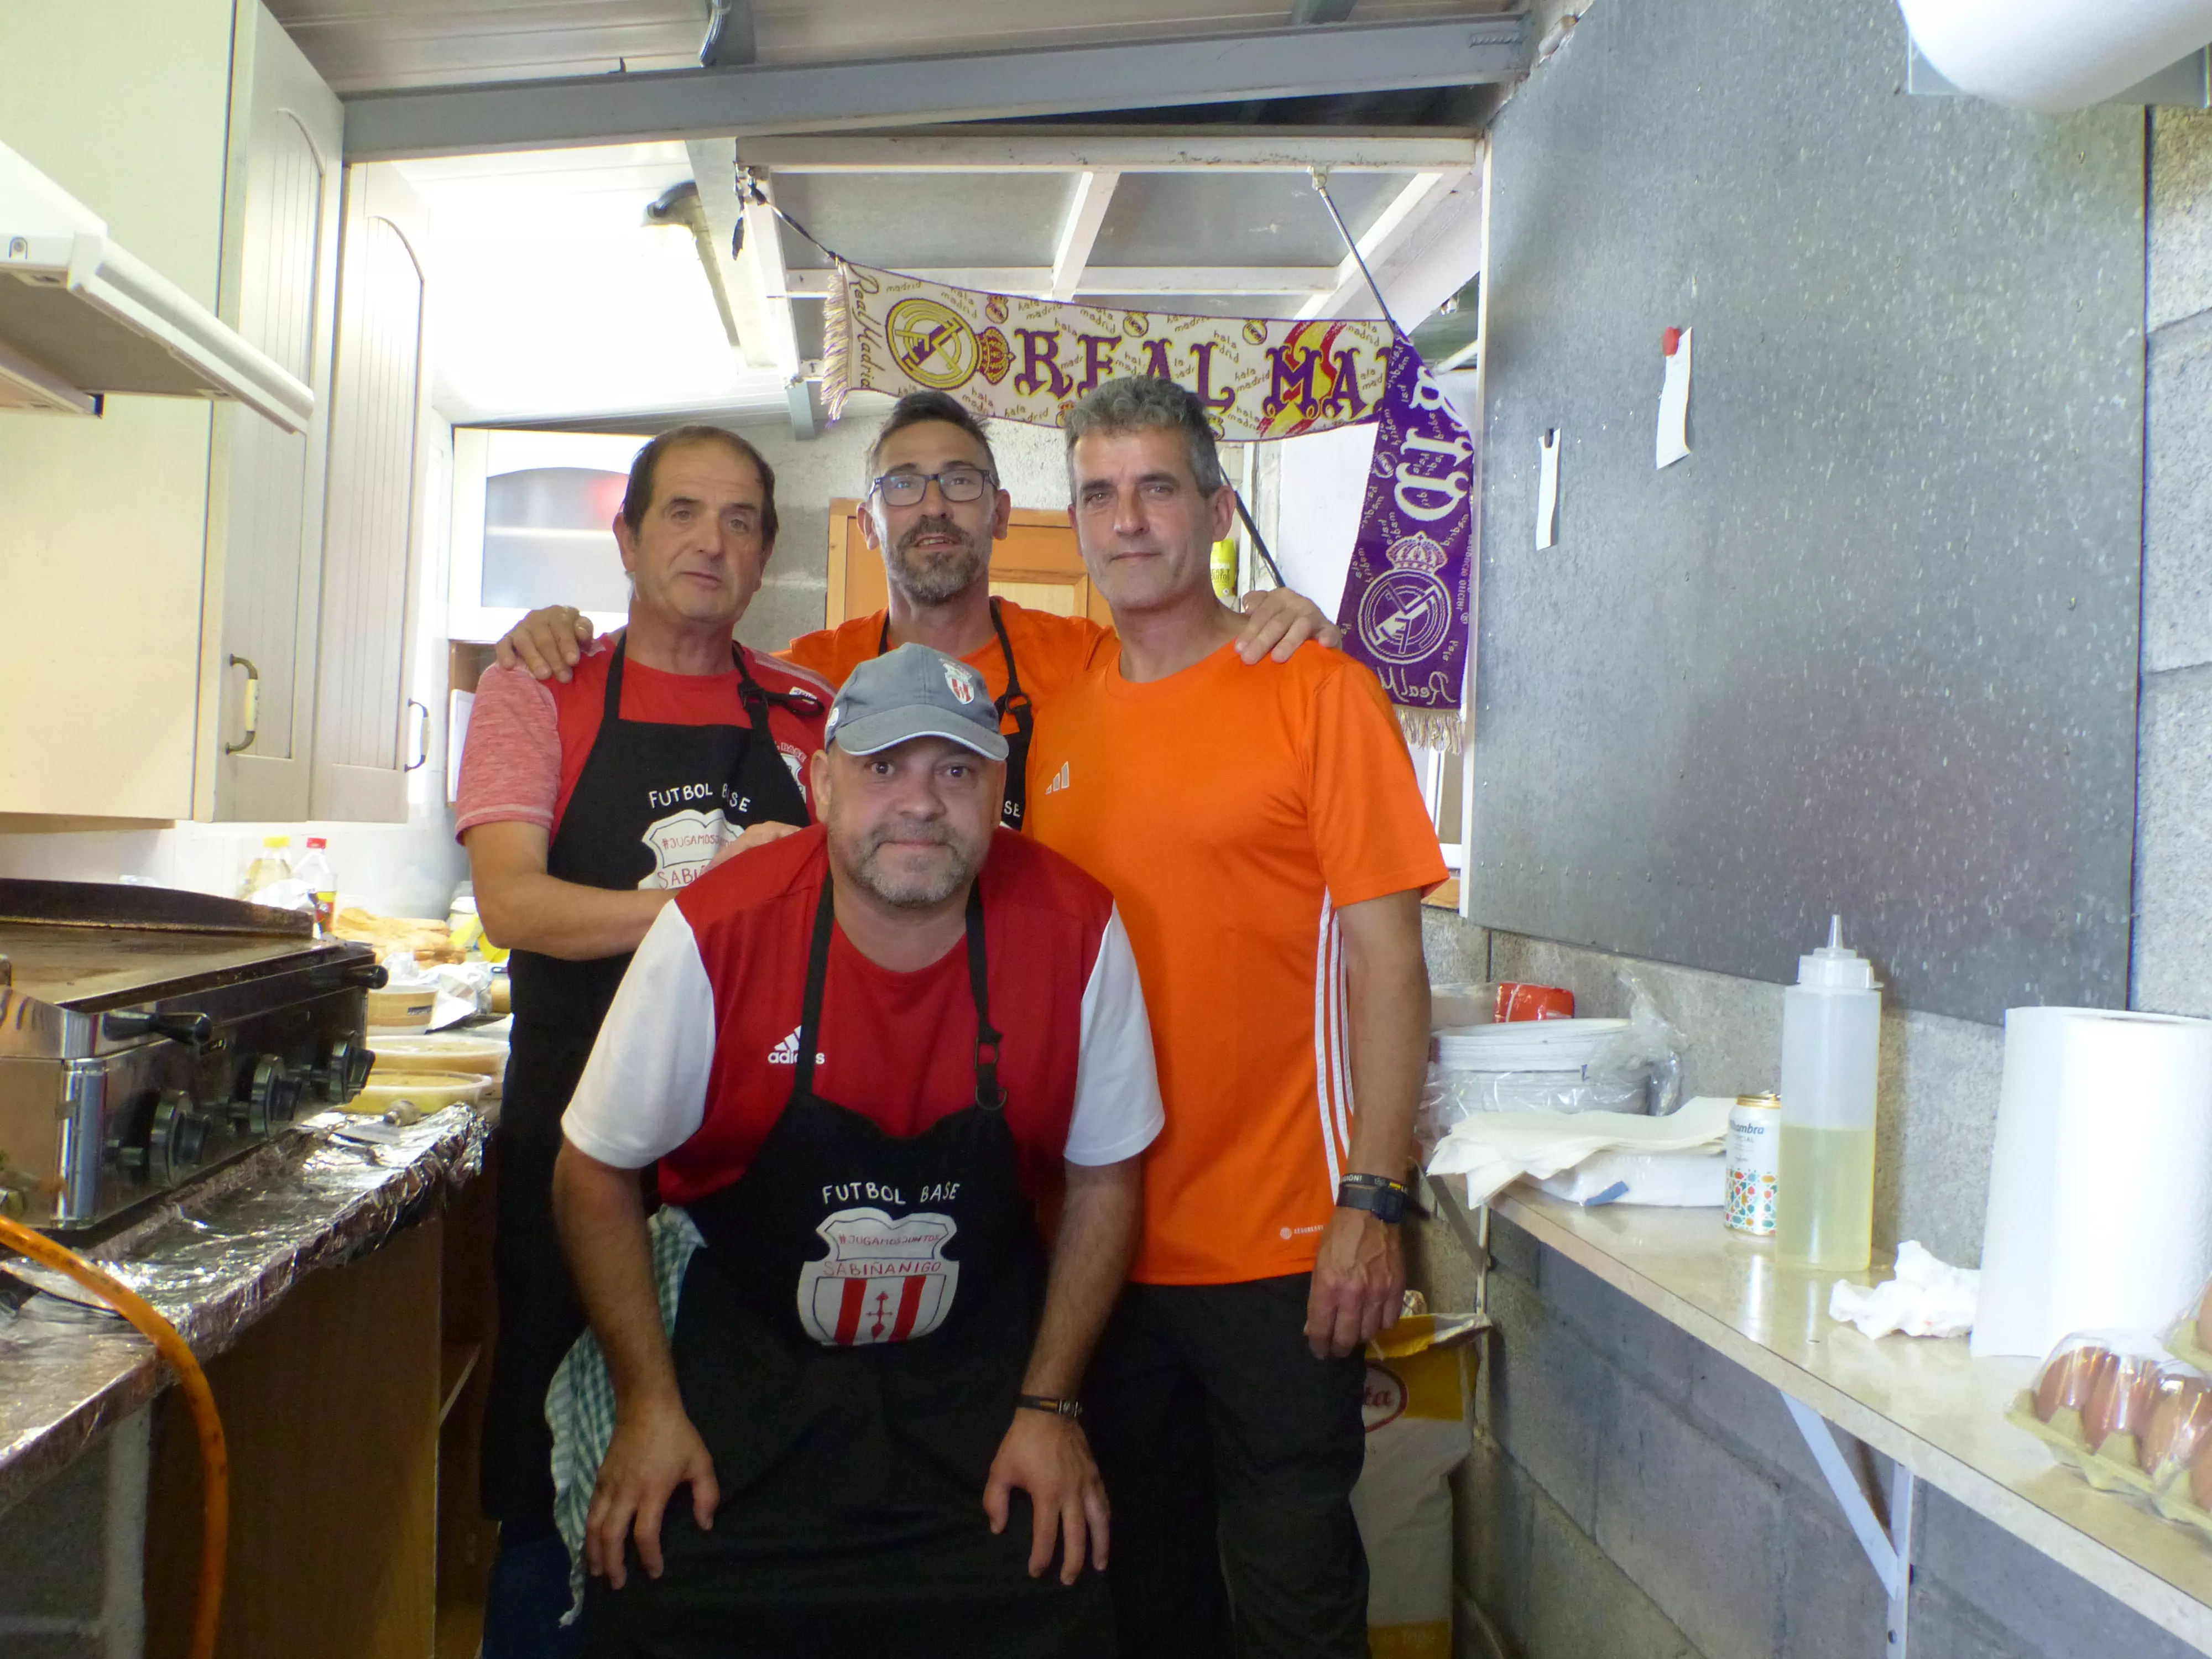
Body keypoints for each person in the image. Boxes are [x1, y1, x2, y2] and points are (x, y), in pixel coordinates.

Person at [551, 643, 1164, 1657]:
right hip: (748, 1368)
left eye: (956, 772)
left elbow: (1107, 1178)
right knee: (655, 1595)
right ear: (823, 784)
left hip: (973, 1375)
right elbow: (594, 1170)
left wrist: (1050, 1406)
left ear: (998, 796)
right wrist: (651, 1408)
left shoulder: (1078, 931)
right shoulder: (717, 932)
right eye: (884, 768)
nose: (920, 803)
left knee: (1057, 1591)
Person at [1026, 377, 1446, 1659]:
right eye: (1098, 492)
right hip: (1097, 1251)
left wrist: (1370, 1205)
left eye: (1157, 488)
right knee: (1142, 1600)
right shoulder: (1054, 704)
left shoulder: (1314, 691)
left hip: (1281, 1250)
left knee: (1293, 1601)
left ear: (1214, 509)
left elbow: (1389, 966)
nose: (1126, 520)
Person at [453, 425, 833, 1658]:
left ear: (766, 551)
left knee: (745, 1440)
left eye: (737, 521)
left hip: (753, 1140)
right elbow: (514, 904)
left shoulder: (810, 713)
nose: (707, 543)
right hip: (577, 1128)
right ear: (626, 539)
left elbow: (862, 907)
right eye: (680, 514)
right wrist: (721, 903)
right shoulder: (539, 687)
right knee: (552, 1433)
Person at [492, 389, 1344, 828]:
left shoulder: (1086, 658)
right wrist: (558, 630)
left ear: (1002, 513)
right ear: (868, 521)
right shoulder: (803, 681)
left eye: (961, 482)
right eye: (903, 485)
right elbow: (674, 670)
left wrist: (1276, 618)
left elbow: (1192, 665)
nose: (933, 506)